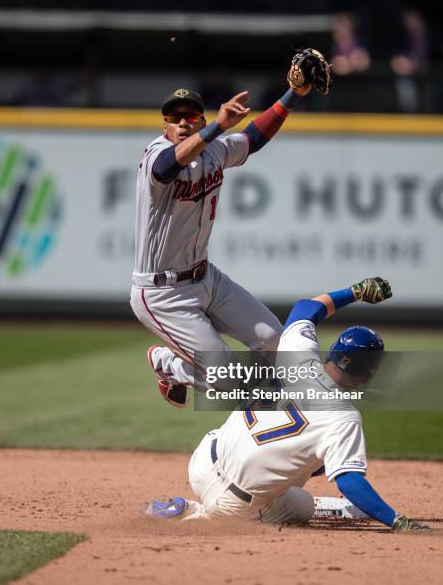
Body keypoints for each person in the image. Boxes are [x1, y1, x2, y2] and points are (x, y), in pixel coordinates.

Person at [145, 277, 429, 533]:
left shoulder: (296, 354)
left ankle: (173, 368)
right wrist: (397, 521)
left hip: (202, 462)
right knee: (301, 503)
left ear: (334, 353)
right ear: (367, 377)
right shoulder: (343, 417)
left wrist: (354, 292)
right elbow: (349, 482)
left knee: (292, 446)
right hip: (231, 503)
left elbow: (307, 308)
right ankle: (191, 514)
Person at [130, 60, 312, 408]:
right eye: (175, 117)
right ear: (164, 125)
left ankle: (188, 370)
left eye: (191, 116)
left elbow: (253, 138)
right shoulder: (156, 154)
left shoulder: (214, 151)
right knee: (229, 381)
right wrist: (215, 127)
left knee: (276, 341)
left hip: (206, 277)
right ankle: (168, 363)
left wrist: (294, 94)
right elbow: (169, 167)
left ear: (199, 119)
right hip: (162, 294)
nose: (183, 122)